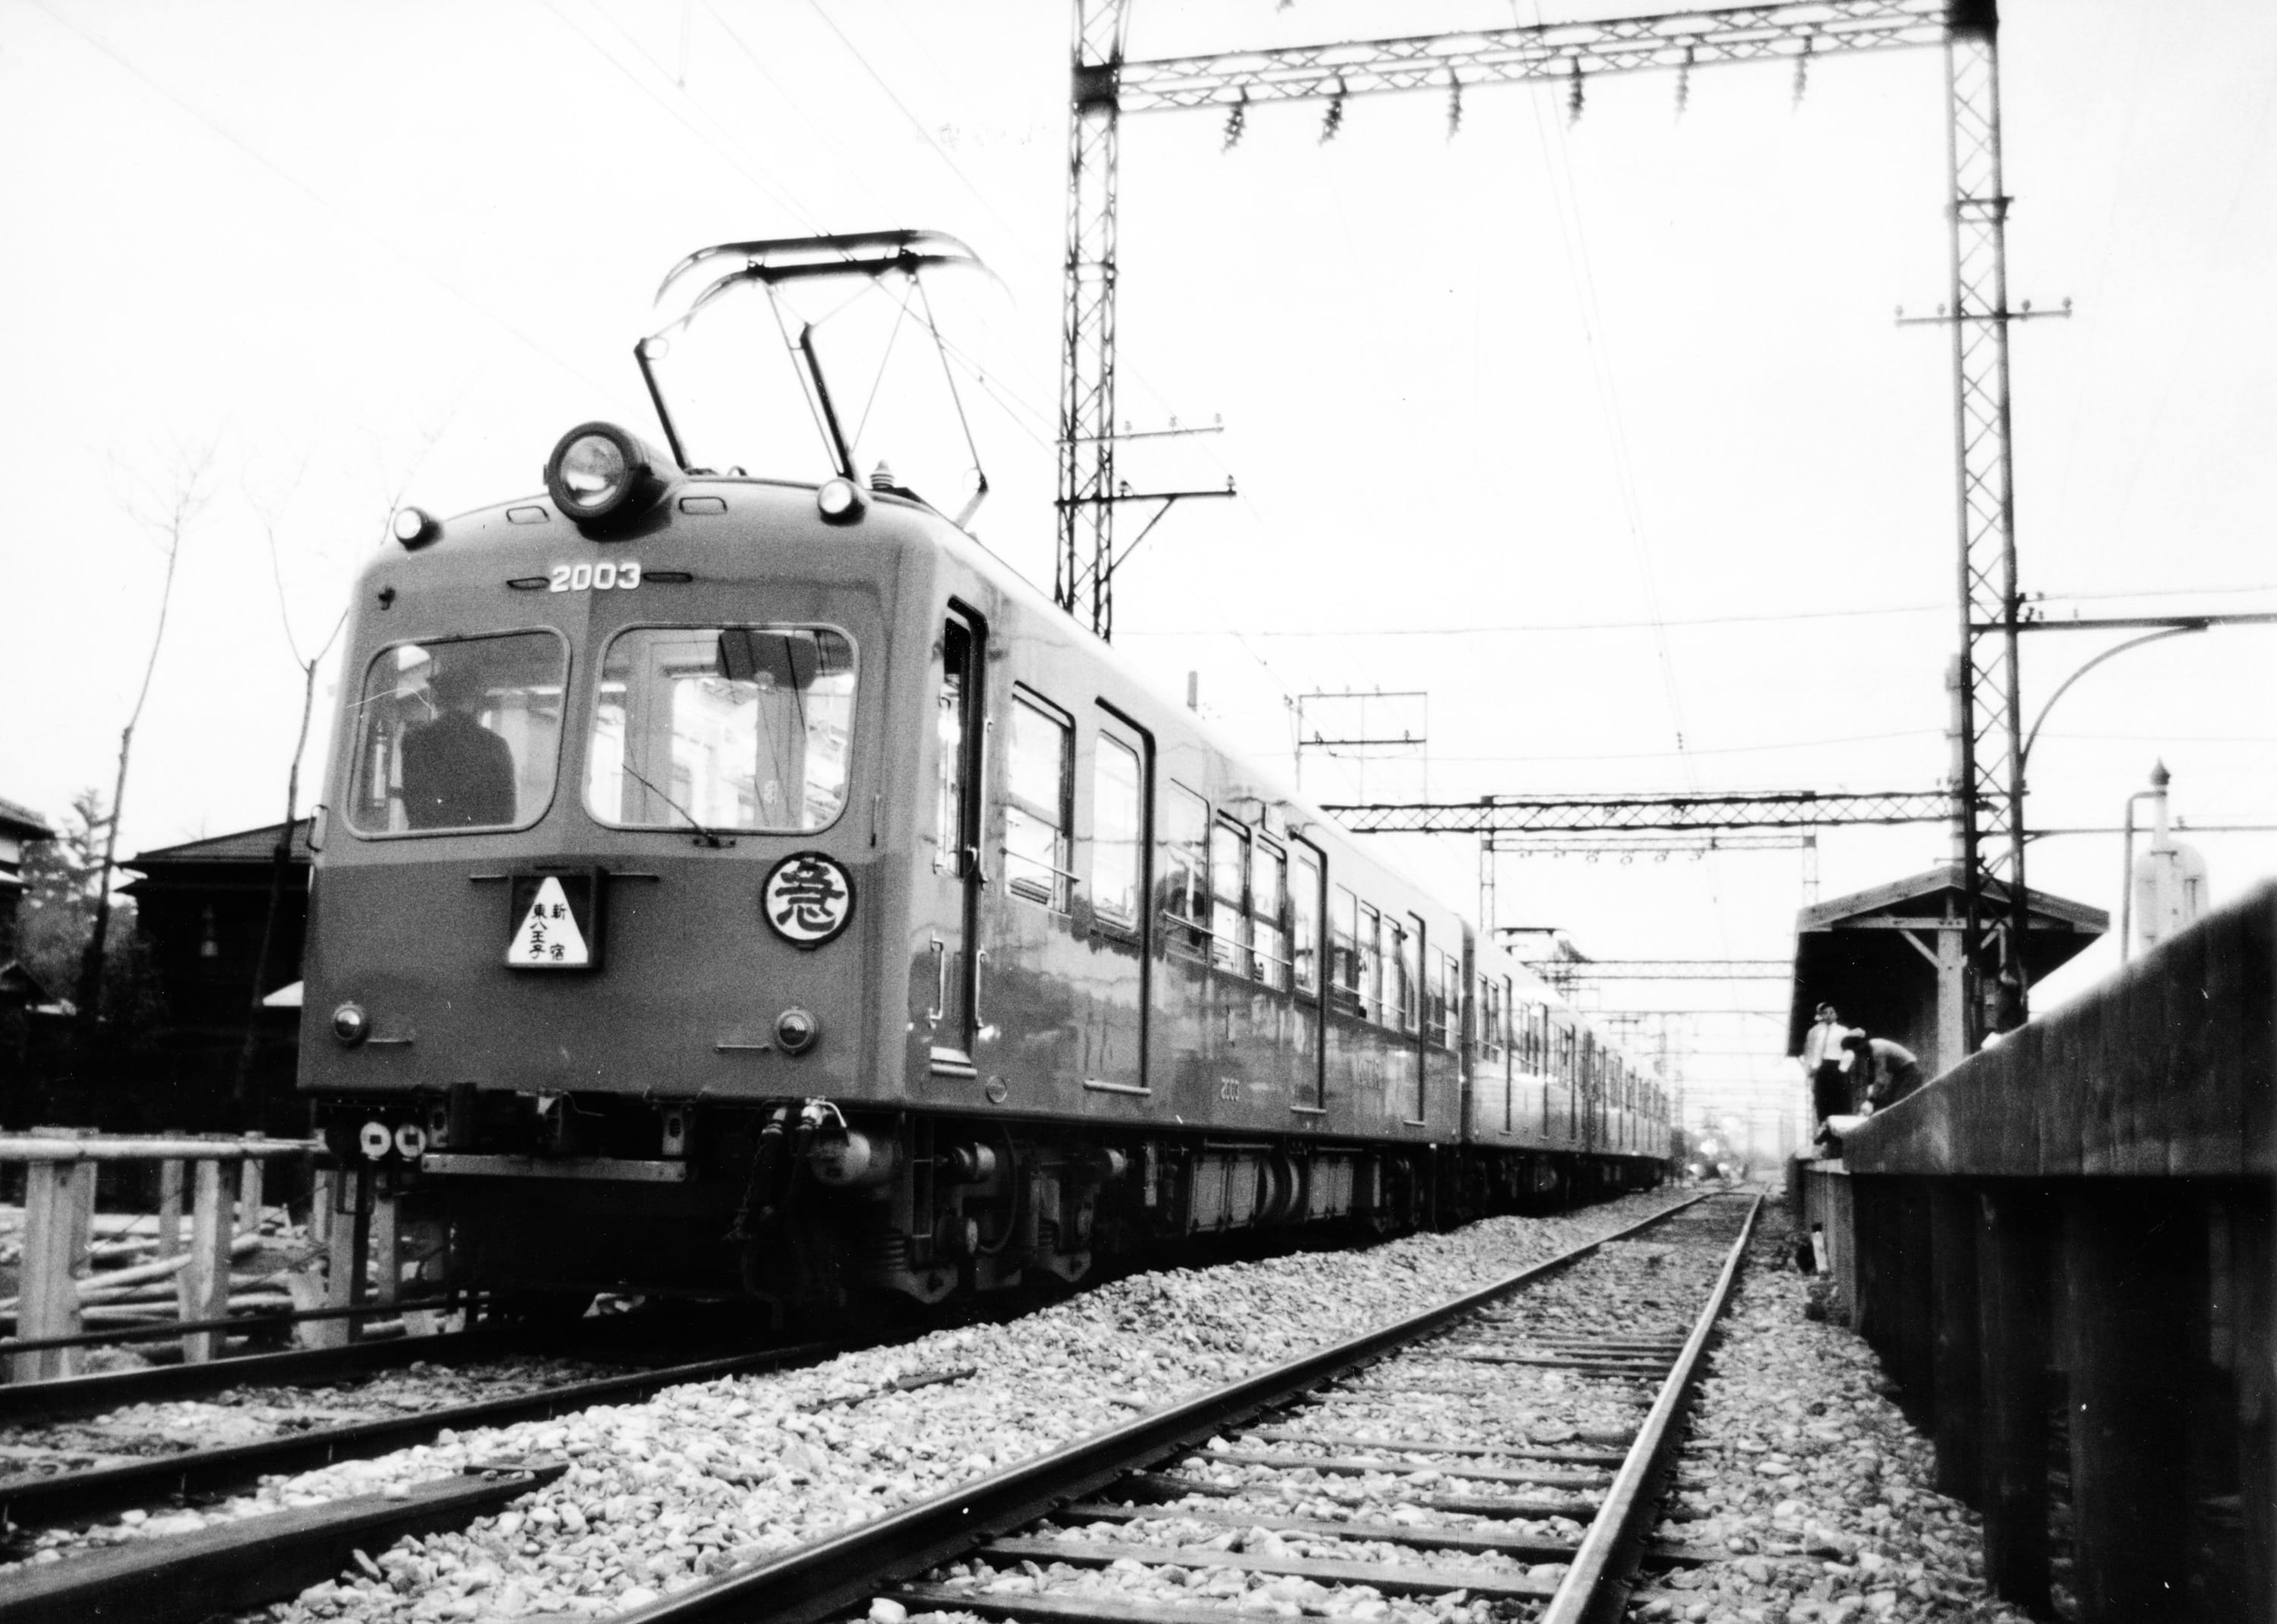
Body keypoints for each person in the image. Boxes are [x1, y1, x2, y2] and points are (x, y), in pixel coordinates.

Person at [401, 660, 517, 829]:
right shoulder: (495, 745)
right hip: (480, 845)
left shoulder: (415, 740)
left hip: (426, 846)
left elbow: (415, 807)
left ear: (437, 701)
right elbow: (506, 814)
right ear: (473, 701)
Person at [1800, 1002, 1854, 1123]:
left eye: (1831, 1012)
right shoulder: (1820, 1034)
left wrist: (1843, 1068)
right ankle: (1824, 1127)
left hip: (1837, 1066)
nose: (1829, 1015)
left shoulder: (1843, 1031)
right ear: (1822, 1016)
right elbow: (1817, 1052)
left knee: (1839, 1099)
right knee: (1821, 1099)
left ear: (1836, 1015)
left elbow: (1849, 1051)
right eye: (1825, 1013)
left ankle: (1840, 1128)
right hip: (1823, 1068)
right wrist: (1814, 1068)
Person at [1843, 1031, 1925, 1111]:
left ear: (1861, 1044)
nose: (1858, 1054)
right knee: (1886, 1103)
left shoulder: (1878, 1049)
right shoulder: (1870, 1049)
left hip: (1911, 1072)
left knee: (1900, 1105)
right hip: (1898, 1075)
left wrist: (1870, 1101)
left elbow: (1881, 1079)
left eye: (1857, 1051)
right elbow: (1874, 1077)